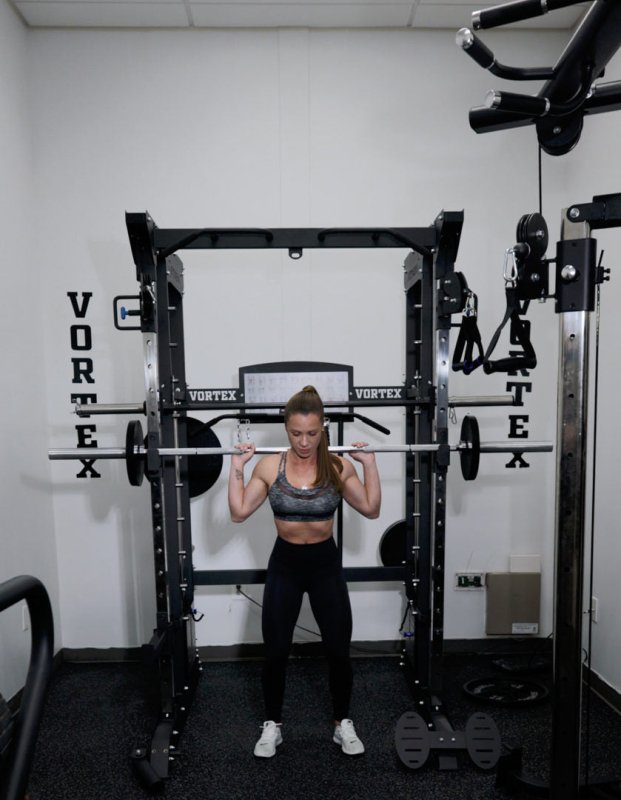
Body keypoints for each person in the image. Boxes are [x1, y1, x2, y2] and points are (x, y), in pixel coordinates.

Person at [228, 385, 381, 758]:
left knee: (338, 650)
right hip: (286, 565)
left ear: (323, 427)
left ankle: (342, 723)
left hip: (325, 565)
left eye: (312, 433)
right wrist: (236, 468)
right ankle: (273, 725)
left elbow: (372, 509)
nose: (304, 441)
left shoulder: (337, 465)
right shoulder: (270, 466)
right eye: (296, 433)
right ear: (286, 428)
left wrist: (370, 465)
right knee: (276, 651)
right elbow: (239, 511)